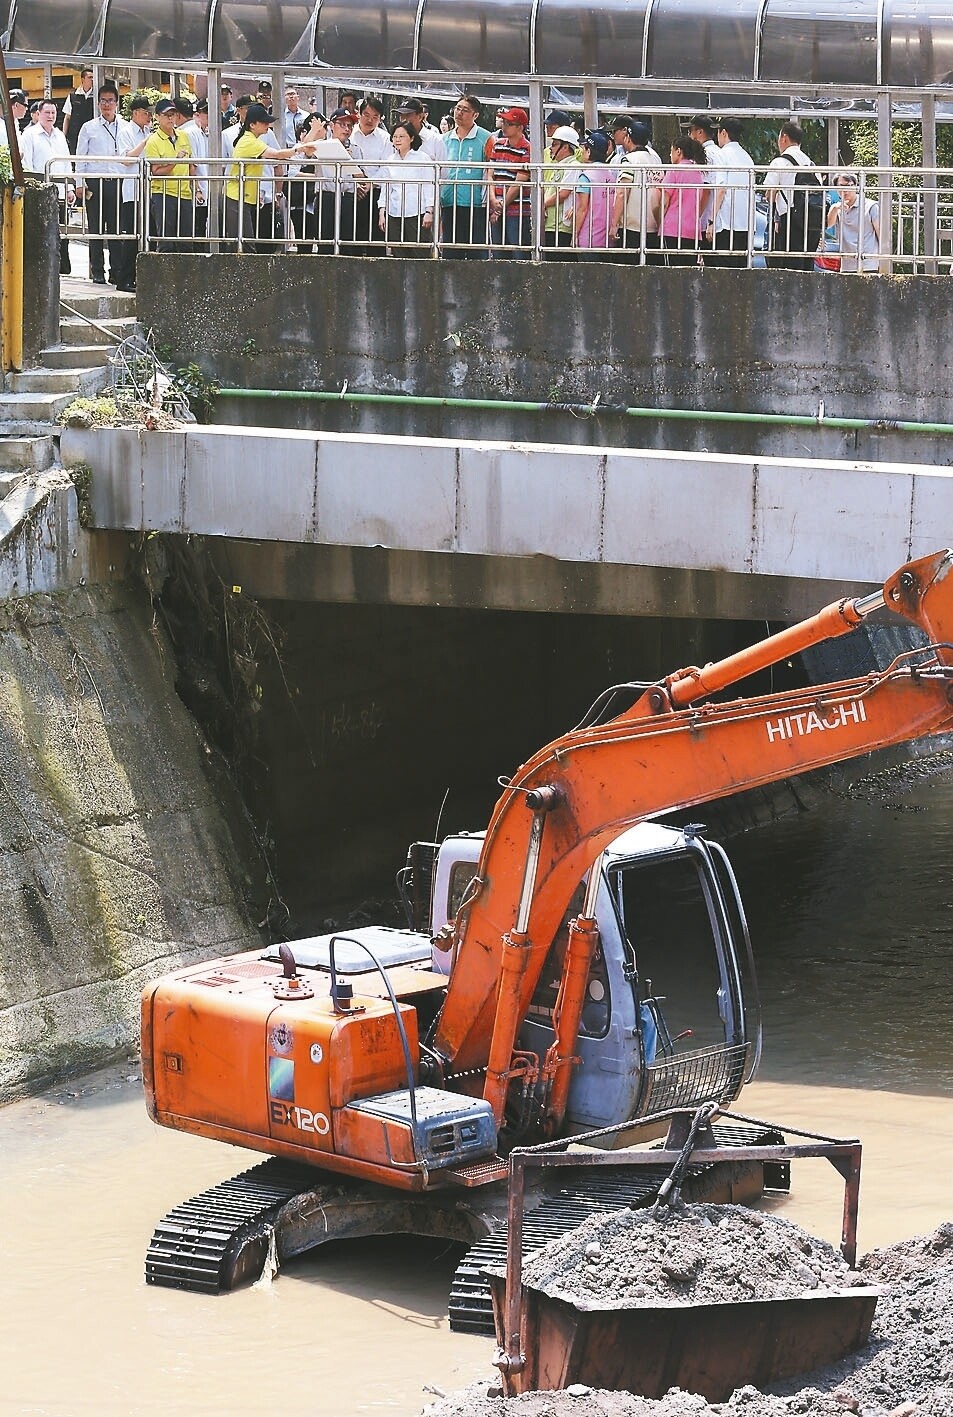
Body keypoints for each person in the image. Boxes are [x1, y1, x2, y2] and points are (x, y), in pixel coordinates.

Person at [223, 102, 315, 248]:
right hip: (238, 197)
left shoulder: (252, 140)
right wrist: (300, 149)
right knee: (244, 244)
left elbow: (278, 158)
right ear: (252, 124)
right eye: (264, 122)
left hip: (246, 197)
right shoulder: (249, 141)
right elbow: (277, 154)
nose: (268, 124)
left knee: (247, 242)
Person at [75, 86, 128, 284]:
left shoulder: (125, 126)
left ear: (117, 103)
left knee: (116, 229)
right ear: (98, 103)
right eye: (103, 101)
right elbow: (80, 157)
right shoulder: (88, 127)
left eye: (110, 100)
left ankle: (116, 271)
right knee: (96, 229)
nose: (107, 104)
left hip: (118, 183)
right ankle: (97, 271)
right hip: (95, 183)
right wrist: (80, 183)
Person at [20, 99, 75, 274]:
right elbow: (27, 164)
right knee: (41, 230)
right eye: (47, 113)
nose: (50, 116)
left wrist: (70, 188)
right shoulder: (29, 135)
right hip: (40, 192)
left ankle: (62, 268)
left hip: (59, 191)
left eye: (53, 113)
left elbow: (66, 163)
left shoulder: (60, 135)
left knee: (62, 232)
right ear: (38, 114)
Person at [440, 94, 493, 259]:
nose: (459, 113)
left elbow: (492, 169)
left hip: (476, 202)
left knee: (476, 250)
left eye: (465, 110)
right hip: (449, 199)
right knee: (451, 249)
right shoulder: (444, 139)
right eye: (457, 108)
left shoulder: (486, 138)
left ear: (475, 115)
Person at [764, 122, 823, 271]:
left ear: (784, 137)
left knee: (790, 266)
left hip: (790, 220)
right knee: (807, 265)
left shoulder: (779, 162)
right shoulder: (812, 164)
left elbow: (769, 194)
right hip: (813, 222)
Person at [144, 98, 196, 252]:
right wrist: (174, 161)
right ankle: (164, 275)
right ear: (158, 117)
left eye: (173, 114)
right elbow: (156, 172)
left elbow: (191, 164)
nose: (170, 118)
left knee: (186, 241)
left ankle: (185, 276)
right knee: (166, 241)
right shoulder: (153, 141)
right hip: (163, 193)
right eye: (166, 115)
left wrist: (196, 187)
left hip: (185, 193)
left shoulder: (184, 136)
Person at [378, 120, 436, 256]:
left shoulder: (422, 158)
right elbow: (386, 189)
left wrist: (429, 211)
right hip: (394, 213)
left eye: (402, 136)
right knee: (398, 253)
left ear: (411, 138)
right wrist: (382, 212)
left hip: (416, 212)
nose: (397, 140)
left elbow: (429, 186)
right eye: (395, 136)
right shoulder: (389, 160)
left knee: (419, 253)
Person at [704, 117, 755, 268]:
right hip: (745, 225)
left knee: (723, 273)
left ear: (724, 133)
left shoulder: (722, 155)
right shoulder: (747, 158)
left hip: (726, 224)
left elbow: (721, 190)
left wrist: (711, 221)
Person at [610, 119, 662, 263]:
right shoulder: (655, 161)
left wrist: (614, 224)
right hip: (653, 226)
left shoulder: (629, 160)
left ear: (628, 138)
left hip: (631, 227)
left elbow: (622, 192)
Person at [116, 94, 153, 290]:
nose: (149, 117)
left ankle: (142, 277)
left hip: (148, 191)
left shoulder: (149, 131)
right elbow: (126, 158)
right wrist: (145, 142)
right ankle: (124, 279)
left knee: (148, 235)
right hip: (132, 192)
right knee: (131, 237)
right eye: (146, 113)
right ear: (136, 113)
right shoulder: (126, 132)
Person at [349, 96, 392, 254]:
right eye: (366, 115)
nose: (370, 120)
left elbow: (387, 166)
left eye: (375, 117)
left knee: (375, 240)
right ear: (359, 114)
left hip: (375, 192)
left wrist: (369, 184)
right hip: (351, 191)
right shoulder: (350, 134)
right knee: (352, 237)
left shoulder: (385, 138)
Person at [489, 107, 532, 258]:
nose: (504, 126)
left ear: (520, 127)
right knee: (498, 253)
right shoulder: (498, 144)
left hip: (517, 210)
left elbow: (519, 182)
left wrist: (499, 208)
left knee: (519, 252)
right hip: (497, 205)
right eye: (504, 122)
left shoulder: (527, 149)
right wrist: (493, 200)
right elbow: (490, 174)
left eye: (509, 123)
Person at [660, 135, 706, 266]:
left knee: (671, 271)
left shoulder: (674, 170)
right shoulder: (698, 172)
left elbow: (664, 201)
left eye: (671, 151)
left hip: (672, 228)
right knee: (687, 271)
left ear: (678, 151)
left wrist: (659, 222)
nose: (670, 155)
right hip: (692, 229)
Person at [568, 130, 615, 257]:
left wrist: (574, 234)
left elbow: (582, 209)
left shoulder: (586, 176)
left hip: (588, 238)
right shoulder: (611, 174)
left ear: (589, 152)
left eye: (584, 148)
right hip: (606, 240)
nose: (582, 151)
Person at [826, 173, 881, 273]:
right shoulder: (837, 208)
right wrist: (834, 208)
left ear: (856, 186)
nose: (845, 190)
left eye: (849, 185)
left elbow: (881, 235)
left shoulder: (870, 206)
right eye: (841, 186)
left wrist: (883, 261)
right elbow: (828, 225)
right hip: (846, 265)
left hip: (868, 264)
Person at [542, 125, 580, 259]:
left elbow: (564, 193)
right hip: (551, 224)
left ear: (565, 147)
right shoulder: (559, 165)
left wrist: (543, 204)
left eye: (554, 144)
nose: (551, 148)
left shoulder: (573, 165)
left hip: (561, 226)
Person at [182, 100, 210, 242]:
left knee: (201, 227)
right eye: (206, 112)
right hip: (196, 189)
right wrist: (197, 188)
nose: (209, 116)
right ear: (197, 114)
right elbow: (192, 163)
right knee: (196, 229)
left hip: (206, 186)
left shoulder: (205, 133)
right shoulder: (191, 132)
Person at [394, 98, 447, 162]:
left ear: (420, 116)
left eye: (407, 115)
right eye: (401, 115)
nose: (403, 119)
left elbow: (443, 170)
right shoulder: (396, 140)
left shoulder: (435, 140)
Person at [62, 69, 94, 154]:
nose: (92, 80)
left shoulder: (96, 95)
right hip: (74, 134)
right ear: (83, 79)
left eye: (93, 77)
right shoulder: (73, 96)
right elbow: (67, 117)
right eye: (90, 77)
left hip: (91, 134)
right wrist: (64, 136)